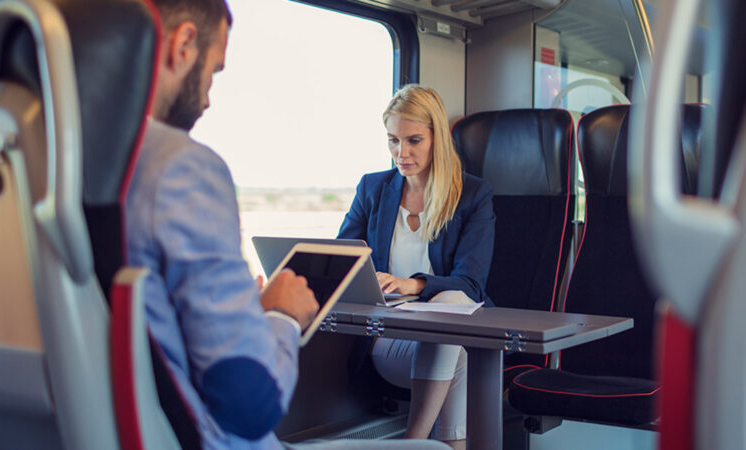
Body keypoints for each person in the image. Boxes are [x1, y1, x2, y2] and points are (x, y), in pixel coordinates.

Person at [126, 1, 448, 449]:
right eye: (214, 73)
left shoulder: (57, 173)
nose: (207, 98)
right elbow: (250, 404)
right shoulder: (181, 170)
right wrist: (280, 313)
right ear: (182, 45)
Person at [337, 85, 495, 450]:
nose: (401, 153)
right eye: (393, 140)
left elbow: (471, 283)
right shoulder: (372, 189)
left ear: (437, 137)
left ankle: (414, 442)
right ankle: (418, 443)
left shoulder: (471, 195)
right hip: (389, 340)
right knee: (458, 353)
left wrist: (414, 285)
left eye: (413, 140)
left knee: (453, 307)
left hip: (450, 330)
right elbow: (342, 262)